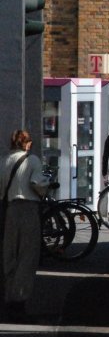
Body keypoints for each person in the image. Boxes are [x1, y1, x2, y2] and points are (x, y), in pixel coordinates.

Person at [0, 129, 51, 320]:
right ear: (27, 143)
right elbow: (38, 183)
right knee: (27, 255)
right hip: (28, 210)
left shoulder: (3, 161)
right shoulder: (32, 160)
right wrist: (45, 190)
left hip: (10, 210)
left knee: (9, 254)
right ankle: (19, 300)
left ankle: (7, 297)